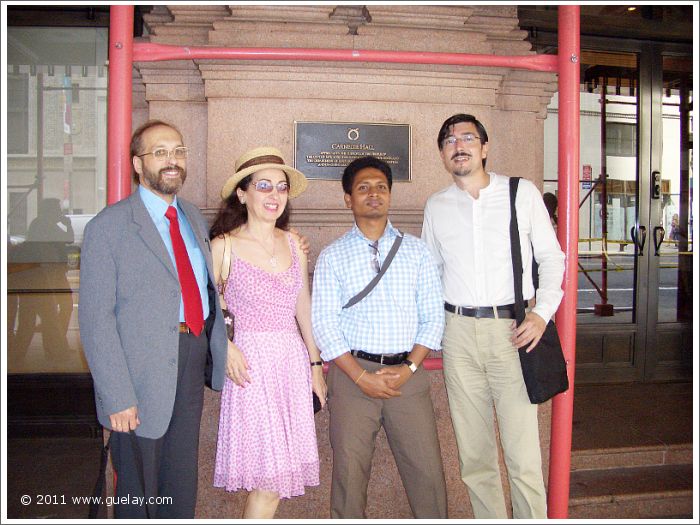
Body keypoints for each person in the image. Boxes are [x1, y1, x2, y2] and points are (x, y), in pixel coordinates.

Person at [79, 120, 228, 518]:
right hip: (138, 376)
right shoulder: (107, 228)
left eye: (178, 151)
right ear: (137, 163)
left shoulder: (193, 218)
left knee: (180, 483)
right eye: (160, 152)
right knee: (138, 489)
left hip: (190, 361)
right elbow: (96, 321)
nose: (172, 160)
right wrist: (117, 395)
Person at [421, 113, 565, 519]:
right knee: (475, 460)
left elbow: (552, 258)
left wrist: (541, 314)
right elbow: (431, 274)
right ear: (443, 154)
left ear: (484, 148)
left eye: (468, 137)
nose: (459, 144)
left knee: (524, 459)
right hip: (459, 334)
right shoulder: (436, 206)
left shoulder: (521, 193)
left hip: (514, 332)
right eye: (449, 140)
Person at [312, 156, 448, 519]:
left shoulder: (417, 252)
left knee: (427, 475)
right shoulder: (332, 256)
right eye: (363, 188)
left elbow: (434, 318)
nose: (374, 194)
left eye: (381, 187)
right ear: (347, 199)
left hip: (409, 377)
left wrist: (408, 369)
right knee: (349, 477)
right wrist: (359, 376)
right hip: (352, 377)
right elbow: (324, 324)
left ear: (390, 195)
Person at [210, 146, 327, 518]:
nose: (274, 195)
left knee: (274, 484)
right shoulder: (222, 247)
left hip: (290, 365)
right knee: (268, 482)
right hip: (251, 368)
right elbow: (205, 310)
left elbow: (302, 306)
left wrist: (315, 364)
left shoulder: (294, 243)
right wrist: (225, 347)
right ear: (242, 194)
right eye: (263, 186)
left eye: (280, 187)